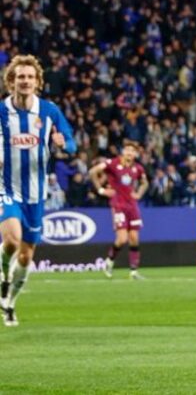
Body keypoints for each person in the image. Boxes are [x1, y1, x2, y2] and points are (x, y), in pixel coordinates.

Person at [0, 54, 76, 327]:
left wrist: (62, 143)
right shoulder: (1, 111)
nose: (25, 81)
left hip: (36, 193)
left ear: (37, 81)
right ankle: (2, 276)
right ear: (11, 80)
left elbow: (71, 143)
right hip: (7, 187)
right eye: (20, 76)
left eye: (30, 77)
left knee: (26, 255)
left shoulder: (49, 111)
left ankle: (9, 303)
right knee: (11, 240)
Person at [89, 140, 149, 280]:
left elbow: (145, 182)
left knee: (134, 238)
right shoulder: (112, 163)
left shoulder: (138, 168)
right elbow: (93, 172)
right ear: (123, 151)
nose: (129, 152)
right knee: (122, 239)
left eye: (132, 151)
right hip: (118, 205)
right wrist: (100, 190)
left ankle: (133, 272)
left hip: (132, 206)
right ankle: (109, 262)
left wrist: (139, 193)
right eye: (127, 149)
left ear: (135, 154)